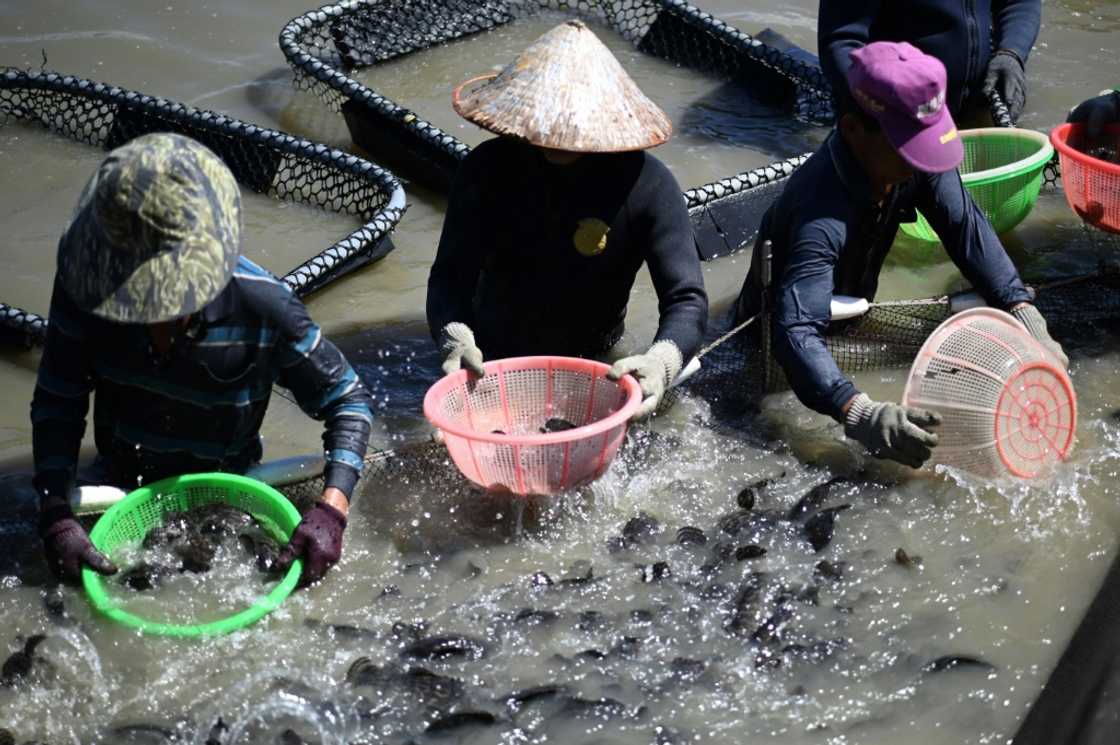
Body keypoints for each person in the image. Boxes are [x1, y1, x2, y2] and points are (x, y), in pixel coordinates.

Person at [32, 133, 373, 585]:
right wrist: (56, 513)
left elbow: (348, 403)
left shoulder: (265, 306)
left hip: (230, 485)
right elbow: (59, 400)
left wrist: (332, 510)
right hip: (116, 487)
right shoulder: (86, 289)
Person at [734, 42, 1066, 468]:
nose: (922, 162)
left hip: (851, 318)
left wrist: (1020, 308)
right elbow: (795, 330)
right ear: (854, 131)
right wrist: (858, 410)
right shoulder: (818, 208)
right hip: (776, 342)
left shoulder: (912, 163)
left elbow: (964, 226)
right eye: (910, 149)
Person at [426, 20, 708, 417]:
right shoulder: (485, 170)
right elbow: (450, 276)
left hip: (596, 359)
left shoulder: (648, 185)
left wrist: (660, 363)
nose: (556, 135)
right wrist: (455, 339)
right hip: (488, 359)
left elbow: (686, 298)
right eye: (547, 120)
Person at [818, 0, 1041, 124]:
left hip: (975, 106)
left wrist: (1011, 52)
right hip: (895, 127)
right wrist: (885, 108)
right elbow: (841, 42)